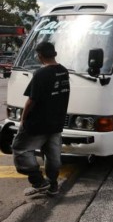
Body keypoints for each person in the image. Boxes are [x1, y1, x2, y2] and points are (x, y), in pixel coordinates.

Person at [12, 41, 70, 196]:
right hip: (56, 122)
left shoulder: (40, 74)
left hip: (38, 123)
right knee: (52, 155)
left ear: (40, 56)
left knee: (20, 149)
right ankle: (53, 186)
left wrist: (23, 120)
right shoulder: (64, 71)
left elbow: (32, 100)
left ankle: (39, 182)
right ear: (54, 54)